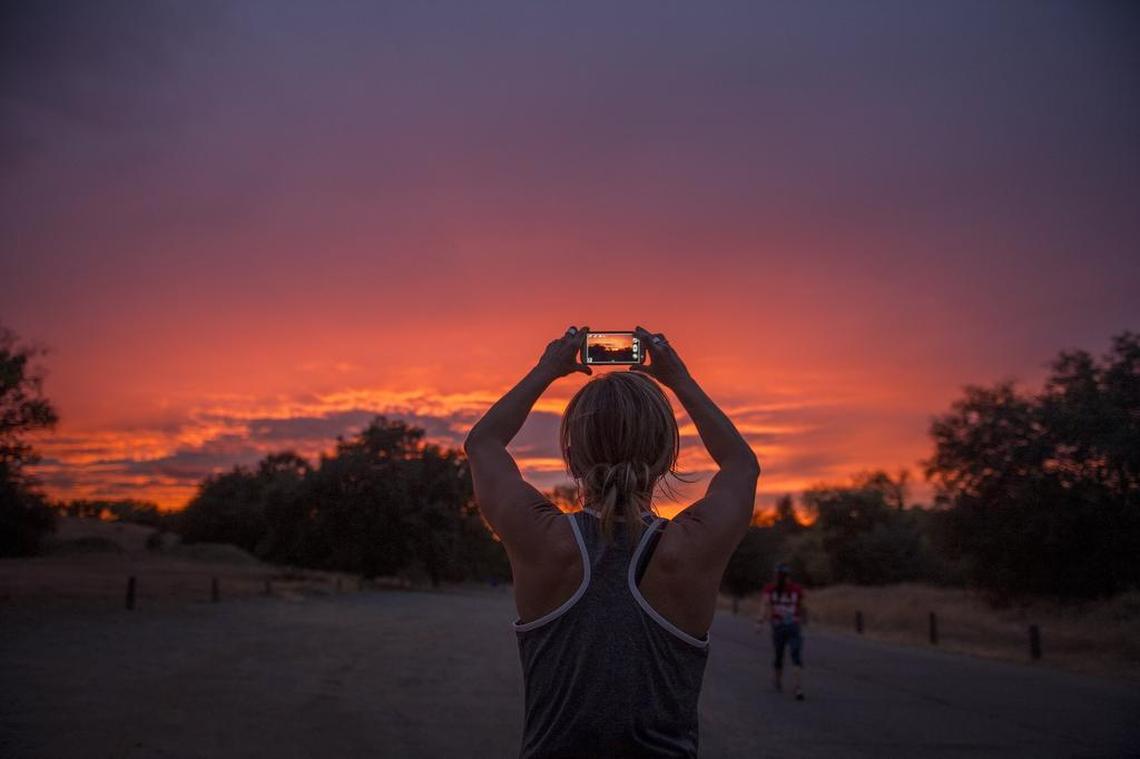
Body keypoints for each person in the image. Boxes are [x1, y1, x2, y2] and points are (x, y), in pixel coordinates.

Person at [464, 325, 760, 758]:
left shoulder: (545, 542)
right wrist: (680, 380)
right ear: (666, 453)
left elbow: (483, 444)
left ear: (572, 451)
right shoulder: (689, 549)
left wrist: (547, 369)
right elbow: (740, 466)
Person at [757, 562, 807, 701]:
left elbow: (765, 605)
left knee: (780, 654)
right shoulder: (796, 589)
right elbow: (802, 607)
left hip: (779, 625)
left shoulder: (770, 589)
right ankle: (797, 686)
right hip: (793, 625)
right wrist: (801, 619)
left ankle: (779, 681)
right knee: (795, 655)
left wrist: (760, 622)